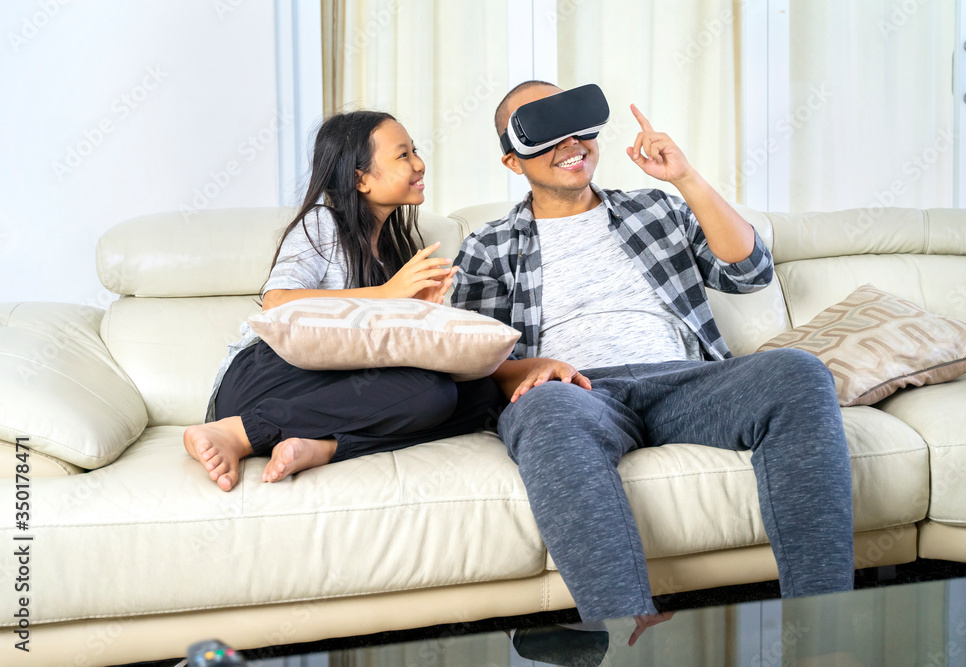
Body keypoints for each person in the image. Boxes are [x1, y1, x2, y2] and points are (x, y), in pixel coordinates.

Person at [451, 81, 854, 642]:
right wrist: (531, 370)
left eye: (575, 124)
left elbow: (750, 273)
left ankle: (823, 630)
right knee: (542, 412)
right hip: (578, 395)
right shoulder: (489, 246)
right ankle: (629, 632)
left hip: (685, 383)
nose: (570, 142)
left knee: (798, 371)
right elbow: (471, 356)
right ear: (512, 160)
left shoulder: (655, 209)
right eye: (544, 132)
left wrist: (685, 178)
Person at [184, 110, 504, 492]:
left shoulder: (393, 250)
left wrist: (420, 310)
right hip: (264, 379)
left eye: (415, 151)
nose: (419, 163)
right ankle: (241, 433)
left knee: (469, 396)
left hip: (333, 388)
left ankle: (326, 446)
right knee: (430, 391)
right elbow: (277, 303)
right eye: (403, 155)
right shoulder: (322, 223)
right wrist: (387, 294)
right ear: (360, 179)